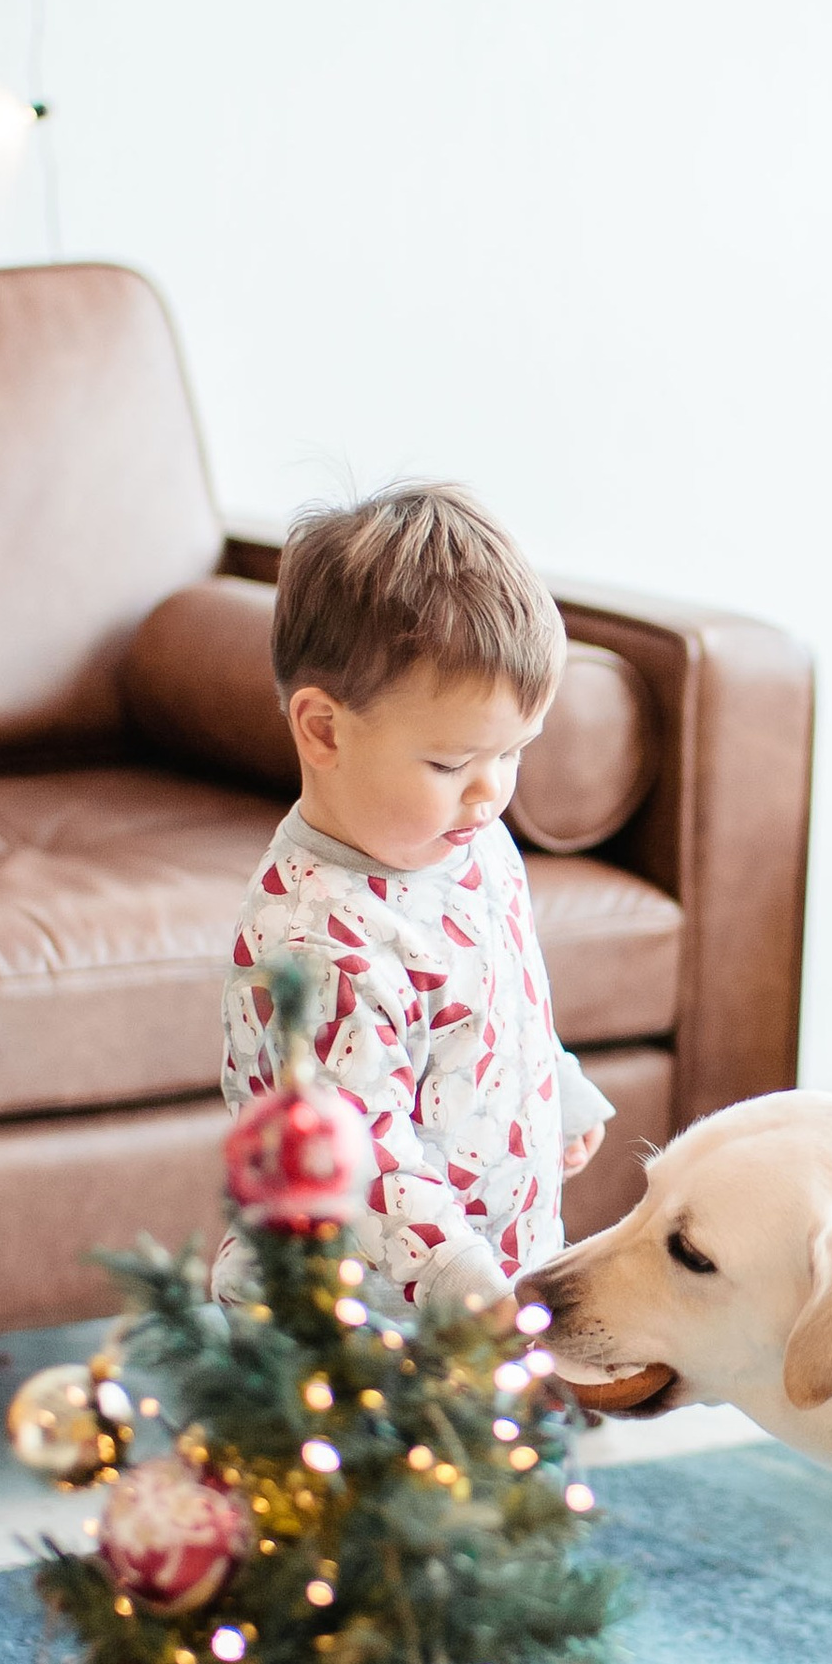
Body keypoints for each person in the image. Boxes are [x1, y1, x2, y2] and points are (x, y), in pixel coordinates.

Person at [223, 481, 611, 1313]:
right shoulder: (316, 941)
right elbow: (361, 1155)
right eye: (451, 764)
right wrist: (470, 1292)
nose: (491, 793)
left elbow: (504, 991)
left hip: (500, 1273)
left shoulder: (471, 843)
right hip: (363, 1328)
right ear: (323, 730)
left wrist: (560, 1090)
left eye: (513, 754)